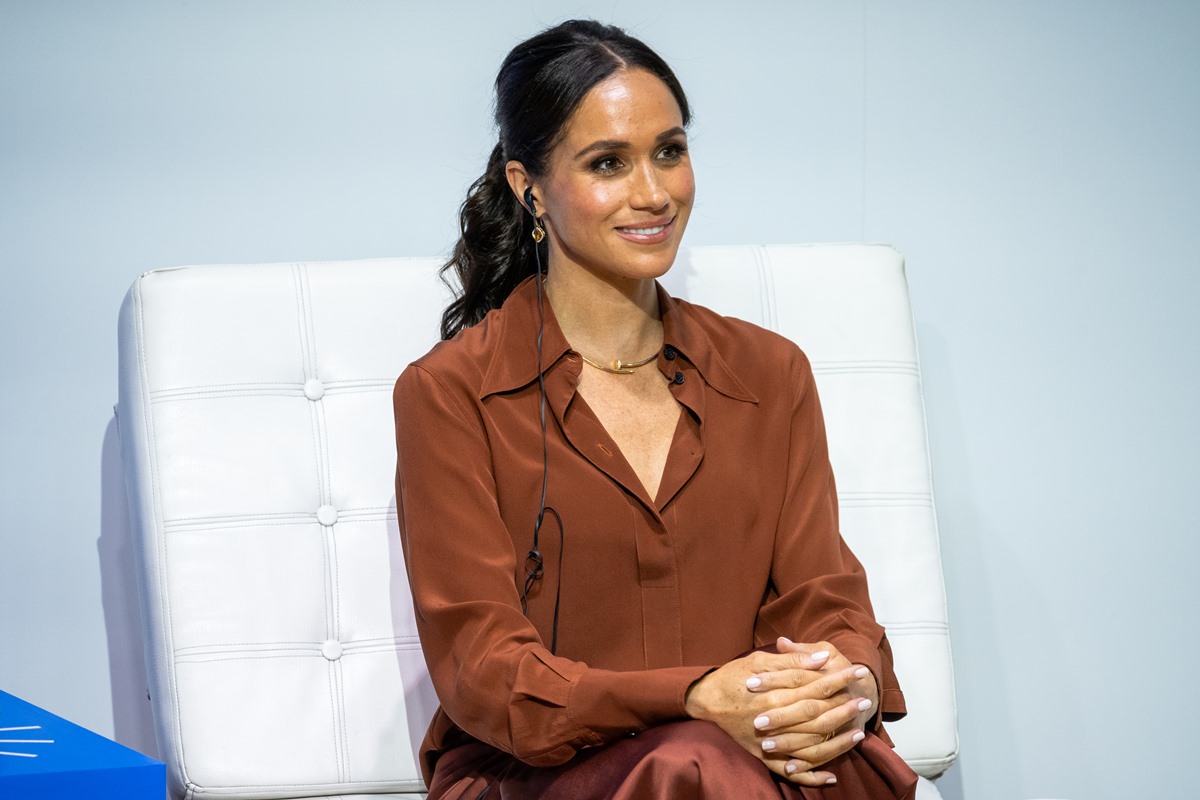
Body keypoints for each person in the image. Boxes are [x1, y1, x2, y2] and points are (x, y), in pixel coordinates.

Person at [393, 19, 919, 800]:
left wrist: (846, 685)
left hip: (755, 758)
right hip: (543, 774)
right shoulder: (451, 394)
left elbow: (825, 599)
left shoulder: (770, 374)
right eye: (608, 163)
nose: (654, 193)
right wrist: (693, 697)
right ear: (526, 185)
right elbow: (486, 669)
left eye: (669, 151)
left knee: (813, 761)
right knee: (692, 765)